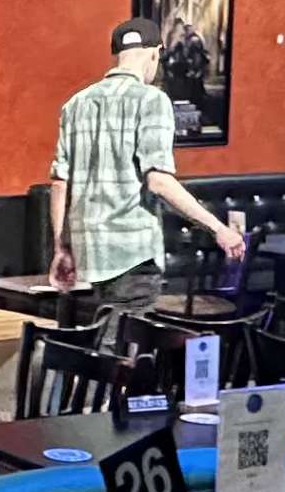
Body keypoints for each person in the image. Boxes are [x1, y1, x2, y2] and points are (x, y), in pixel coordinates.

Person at [49, 17, 243, 319]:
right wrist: (218, 229)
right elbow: (159, 182)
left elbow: (60, 183)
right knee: (123, 355)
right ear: (156, 53)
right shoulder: (152, 101)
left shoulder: (75, 104)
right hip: (132, 253)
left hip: (90, 253)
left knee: (102, 346)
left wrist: (61, 248)